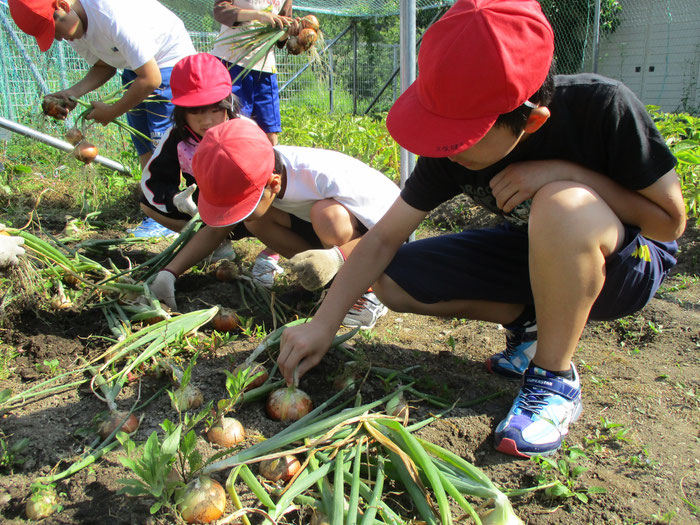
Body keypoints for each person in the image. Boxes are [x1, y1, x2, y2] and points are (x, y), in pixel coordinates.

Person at [276, 0, 686, 458]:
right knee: (394, 278)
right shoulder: (451, 144)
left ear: (531, 120)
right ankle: (531, 329)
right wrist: (323, 324)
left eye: (462, 141)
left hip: (627, 265)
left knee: (563, 205)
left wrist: (561, 174)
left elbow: (669, 223)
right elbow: (383, 238)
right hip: (538, 251)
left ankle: (555, 379)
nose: (448, 153)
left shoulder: (603, 107)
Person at [165, 117, 399, 329]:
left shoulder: (320, 177)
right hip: (328, 231)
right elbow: (215, 231)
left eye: (241, 203)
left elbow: (393, 233)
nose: (236, 212)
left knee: (328, 217)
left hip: (380, 232)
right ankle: (330, 280)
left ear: (274, 185)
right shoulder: (254, 168)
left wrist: (336, 257)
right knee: (256, 222)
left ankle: (369, 291)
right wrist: (169, 272)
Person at [144, 53, 281, 307]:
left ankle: (270, 254)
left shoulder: (246, 132)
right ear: (181, 112)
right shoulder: (177, 139)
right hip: (209, 213)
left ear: (228, 103)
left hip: (251, 212)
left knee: (271, 201)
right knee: (145, 203)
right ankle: (218, 246)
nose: (206, 121)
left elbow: (275, 182)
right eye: (195, 112)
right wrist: (175, 199)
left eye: (215, 109)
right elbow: (151, 184)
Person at [8, 0, 195, 170]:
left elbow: (151, 78)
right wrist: (72, 93)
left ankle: (170, 198)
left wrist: (112, 112)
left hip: (170, 62)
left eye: (54, 30)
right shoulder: (72, 29)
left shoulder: (110, 14)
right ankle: (151, 195)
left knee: (163, 141)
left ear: (63, 7)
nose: (58, 38)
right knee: (142, 139)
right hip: (136, 67)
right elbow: (104, 65)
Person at [211, 0, 294, 146]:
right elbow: (220, 10)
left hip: (264, 68)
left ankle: (270, 167)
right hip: (232, 62)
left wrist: (290, 30)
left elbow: (280, 36)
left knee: (269, 133)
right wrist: (258, 15)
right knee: (234, 129)